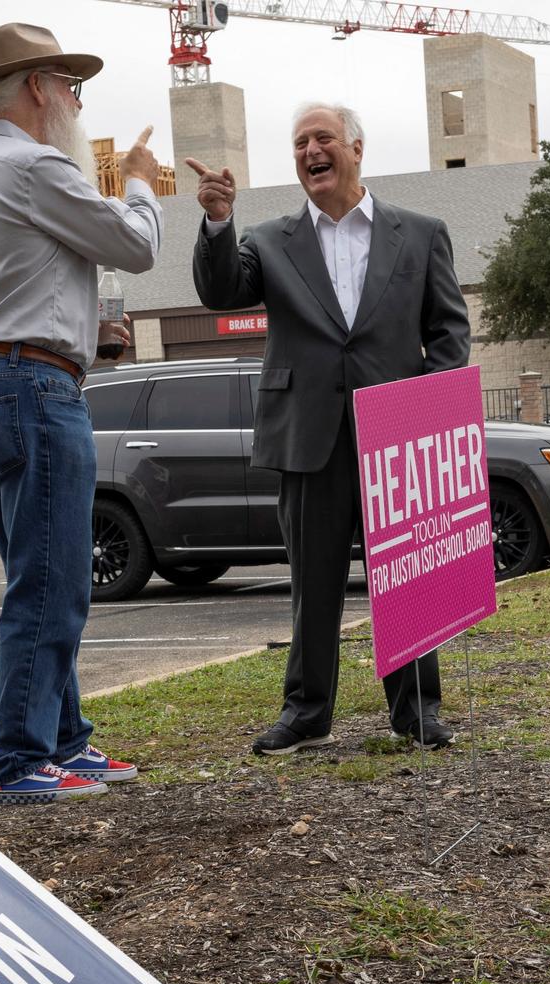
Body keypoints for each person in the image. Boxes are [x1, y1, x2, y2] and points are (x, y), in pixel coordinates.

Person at [188, 102, 471, 756]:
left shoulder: (422, 234)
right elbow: (222, 288)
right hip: (308, 436)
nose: (310, 151)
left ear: (356, 148)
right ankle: (307, 714)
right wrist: (218, 220)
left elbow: (449, 332)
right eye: (299, 144)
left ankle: (418, 713)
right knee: (313, 585)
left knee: (407, 577)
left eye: (322, 139)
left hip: (395, 437)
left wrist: (425, 406)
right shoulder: (269, 239)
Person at [0, 22, 160, 801]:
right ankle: (20, 757)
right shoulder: (34, 165)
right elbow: (135, 245)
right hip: (33, 388)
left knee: (38, 573)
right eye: (69, 84)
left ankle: (62, 741)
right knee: (51, 581)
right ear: (36, 87)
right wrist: (137, 180)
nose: (73, 98)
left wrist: (71, 329)